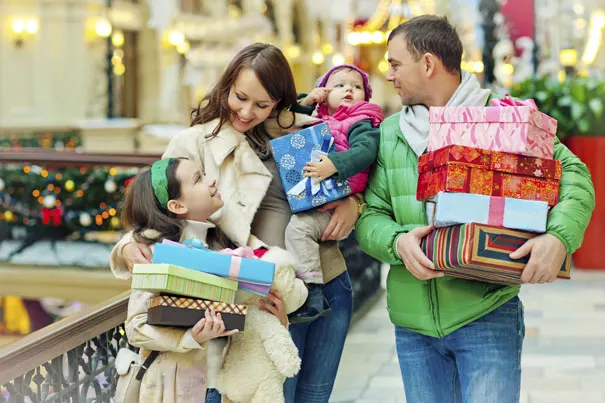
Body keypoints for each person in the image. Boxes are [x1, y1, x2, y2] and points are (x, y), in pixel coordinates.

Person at [355, 15, 595, 403]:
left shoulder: (504, 118)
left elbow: (575, 175)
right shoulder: (388, 133)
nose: (390, 74)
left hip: (486, 316)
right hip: (413, 329)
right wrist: (397, 242)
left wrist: (558, 238)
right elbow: (369, 215)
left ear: (428, 64)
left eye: (396, 63)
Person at [110, 43, 361, 403]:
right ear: (226, 85)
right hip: (258, 300)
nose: (247, 112)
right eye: (240, 97)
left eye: (262, 104)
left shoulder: (306, 129)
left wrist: (354, 203)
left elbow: (353, 177)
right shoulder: (195, 142)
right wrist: (129, 247)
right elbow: (158, 206)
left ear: (279, 100)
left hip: (327, 284)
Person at [284, 64, 383, 322]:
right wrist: (306, 101)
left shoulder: (361, 120)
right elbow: (287, 121)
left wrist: (335, 165)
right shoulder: (321, 119)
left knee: (299, 229)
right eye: (338, 85)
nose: (348, 89)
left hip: (339, 194)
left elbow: (365, 151)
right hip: (320, 192)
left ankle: (311, 292)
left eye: (356, 86)